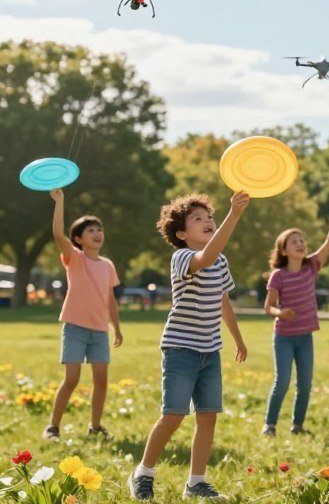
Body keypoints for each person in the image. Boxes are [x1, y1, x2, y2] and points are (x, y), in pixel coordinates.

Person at [128, 191, 250, 501]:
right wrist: (233, 216)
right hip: (180, 348)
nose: (208, 220)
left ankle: (196, 482)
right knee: (174, 414)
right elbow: (205, 257)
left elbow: (224, 303)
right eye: (198, 219)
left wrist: (237, 338)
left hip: (210, 350)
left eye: (209, 216)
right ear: (182, 233)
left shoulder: (220, 261)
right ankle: (143, 473)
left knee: (208, 415)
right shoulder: (182, 257)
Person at [43, 188, 122, 441]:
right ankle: (52, 427)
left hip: (99, 330)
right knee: (72, 379)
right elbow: (57, 233)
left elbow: (110, 298)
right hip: (75, 327)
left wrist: (116, 328)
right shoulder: (74, 259)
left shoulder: (107, 265)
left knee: (101, 380)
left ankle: (95, 427)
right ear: (78, 239)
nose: (97, 233)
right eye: (91, 230)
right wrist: (60, 202)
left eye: (99, 229)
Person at [262, 201, 329, 436]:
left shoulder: (311, 266)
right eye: (294, 241)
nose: (300, 244)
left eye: (301, 240)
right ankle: (269, 425)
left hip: (305, 337)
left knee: (305, 384)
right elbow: (268, 307)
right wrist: (281, 313)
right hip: (284, 338)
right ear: (283, 250)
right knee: (282, 382)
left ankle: (297, 426)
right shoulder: (278, 275)